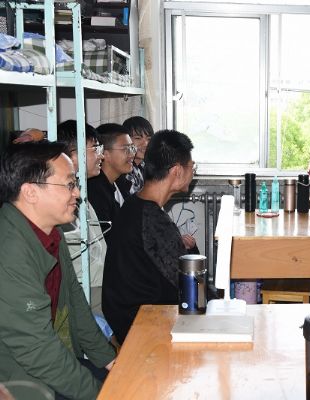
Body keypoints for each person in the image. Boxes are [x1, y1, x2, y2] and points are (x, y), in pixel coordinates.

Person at [0, 141, 115, 399]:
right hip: (14, 377)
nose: (77, 193)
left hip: (41, 362)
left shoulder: (51, 232)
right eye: (70, 184)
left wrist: (110, 361)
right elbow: (36, 350)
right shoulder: (9, 251)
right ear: (30, 192)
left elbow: (75, 300)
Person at [103, 130, 197, 344]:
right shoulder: (152, 219)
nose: (193, 172)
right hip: (140, 321)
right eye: (192, 167)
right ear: (177, 171)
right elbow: (185, 282)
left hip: (129, 312)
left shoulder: (136, 204)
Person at [56, 120, 107, 316]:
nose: (101, 155)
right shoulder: (61, 198)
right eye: (95, 148)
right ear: (72, 155)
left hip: (99, 282)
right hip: (86, 288)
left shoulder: (81, 191)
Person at [87, 123, 134, 240]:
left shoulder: (122, 183)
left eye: (132, 148)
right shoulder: (95, 191)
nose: (132, 154)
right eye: (126, 149)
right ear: (104, 153)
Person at [116, 116, 154, 196]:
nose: (146, 144)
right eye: (138, 138)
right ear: (126, 140)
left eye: (149, 139)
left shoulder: (146, 165)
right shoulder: (124, 169)